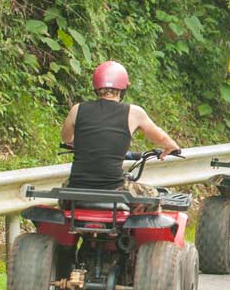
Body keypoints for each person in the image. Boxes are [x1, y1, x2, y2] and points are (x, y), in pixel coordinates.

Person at [61, 61, 181, 211]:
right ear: (122, 89)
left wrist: (81, 142)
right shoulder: (134, 112)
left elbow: (66, 138)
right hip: (114, 189)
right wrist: (171, 146)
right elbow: (161, 138)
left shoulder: (77, 109)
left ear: (96, 88)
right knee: (153, 195)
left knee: (64, 187)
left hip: (77, 189)